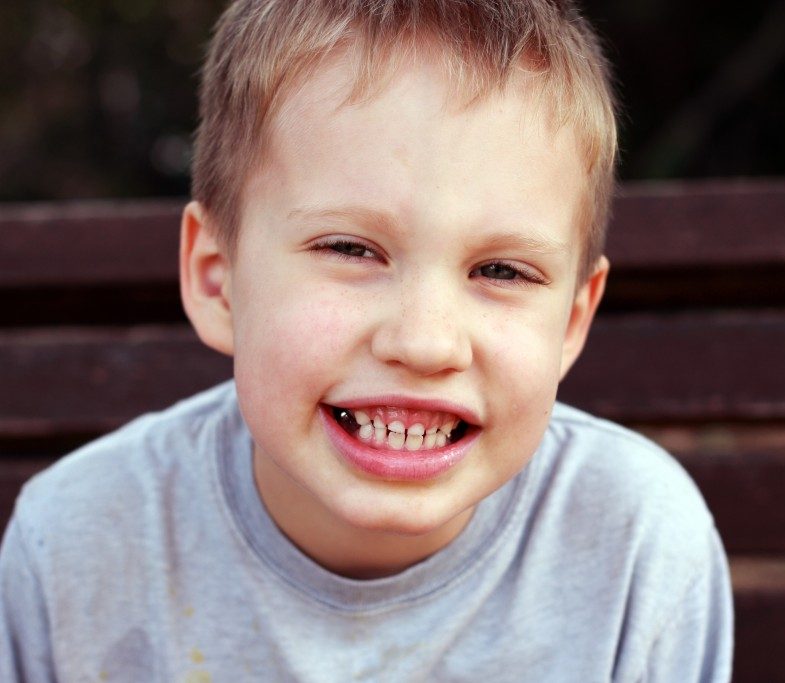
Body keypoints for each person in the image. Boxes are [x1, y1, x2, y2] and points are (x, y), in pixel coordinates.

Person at [0, 1, 732, 680]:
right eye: (351, 249)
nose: (424, 342)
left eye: (501, 269)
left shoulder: (636, 545)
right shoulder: (76, 544)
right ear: (218, 280)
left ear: (572, 322)